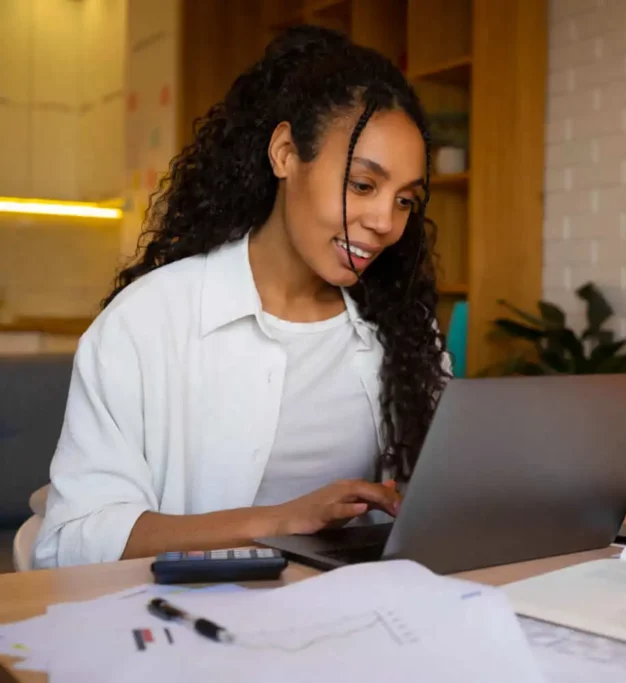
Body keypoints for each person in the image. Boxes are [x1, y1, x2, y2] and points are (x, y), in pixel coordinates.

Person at [32, 25, 450, 568]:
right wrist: (277, 522)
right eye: (363, 185)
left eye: (405, 201)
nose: (384, 222)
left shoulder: (400, 328)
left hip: (358, 620)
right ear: (284, 154)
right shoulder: (148, 321)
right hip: (188, 629)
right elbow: (72, 540)